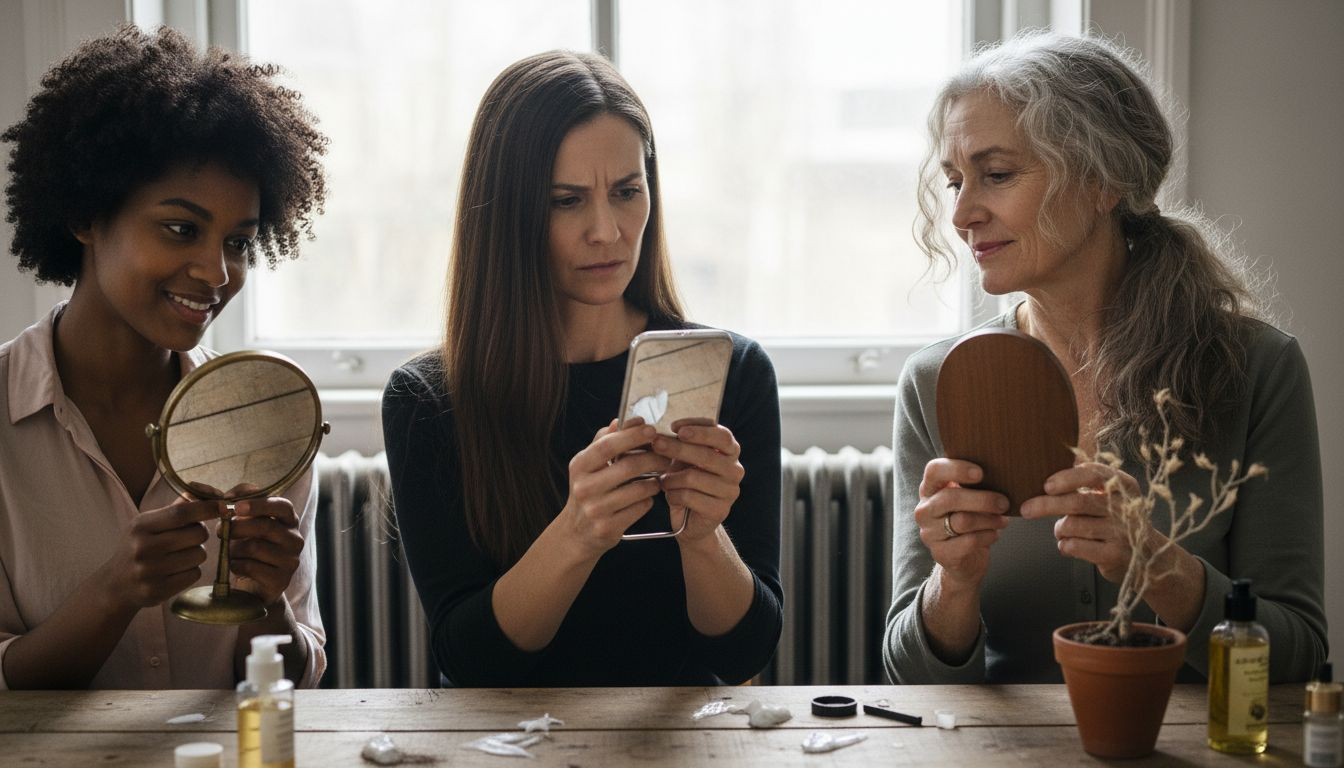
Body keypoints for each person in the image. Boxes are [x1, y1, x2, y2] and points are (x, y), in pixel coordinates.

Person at [883, 33, 1326, 684]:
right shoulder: (936, 383)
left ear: (1103, 180)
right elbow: (905, 678)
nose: (962, 213)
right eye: (954, 181)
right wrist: (953, 582)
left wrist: (1158, 565)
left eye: (997, 174)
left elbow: (1296, 657)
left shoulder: (1257, 369)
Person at [382, 50, 783, 687]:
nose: (607, 231)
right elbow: (470, 663)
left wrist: (703, 536)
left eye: (627, 192)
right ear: (508, 216)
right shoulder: (429, 400)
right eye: (566, 201)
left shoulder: (735, 372)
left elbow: (744, 656)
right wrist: (578, 532)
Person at [0, 25, 329, 689]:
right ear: (87, 215)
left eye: (238, 242)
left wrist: (266, 599)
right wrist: (115, 590)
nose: (215, 272)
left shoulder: (268, 420)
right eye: (181, 229)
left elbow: (298, 677)